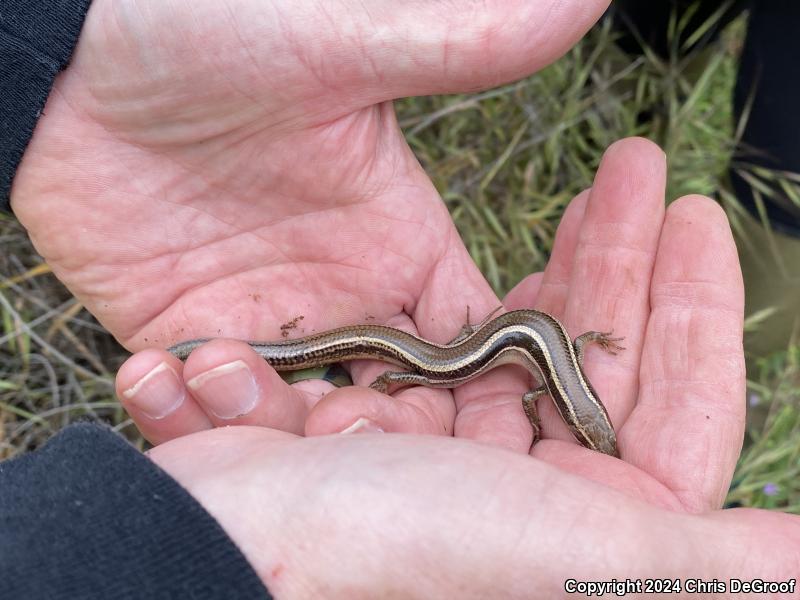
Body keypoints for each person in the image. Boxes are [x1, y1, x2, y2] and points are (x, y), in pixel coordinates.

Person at [1, 1, 798, 598]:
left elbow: (563, 347)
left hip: (474, 343)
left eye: (591, 434)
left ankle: (318, 360)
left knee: (378, 362)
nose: (592, 432)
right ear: (574, 408)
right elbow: (543, 371)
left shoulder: (559, 376)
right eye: (590, 431)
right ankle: (345, 367)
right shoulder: (546, 387)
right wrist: (393, 379)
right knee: (400, 371)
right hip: (429, 360)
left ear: (576, 406)